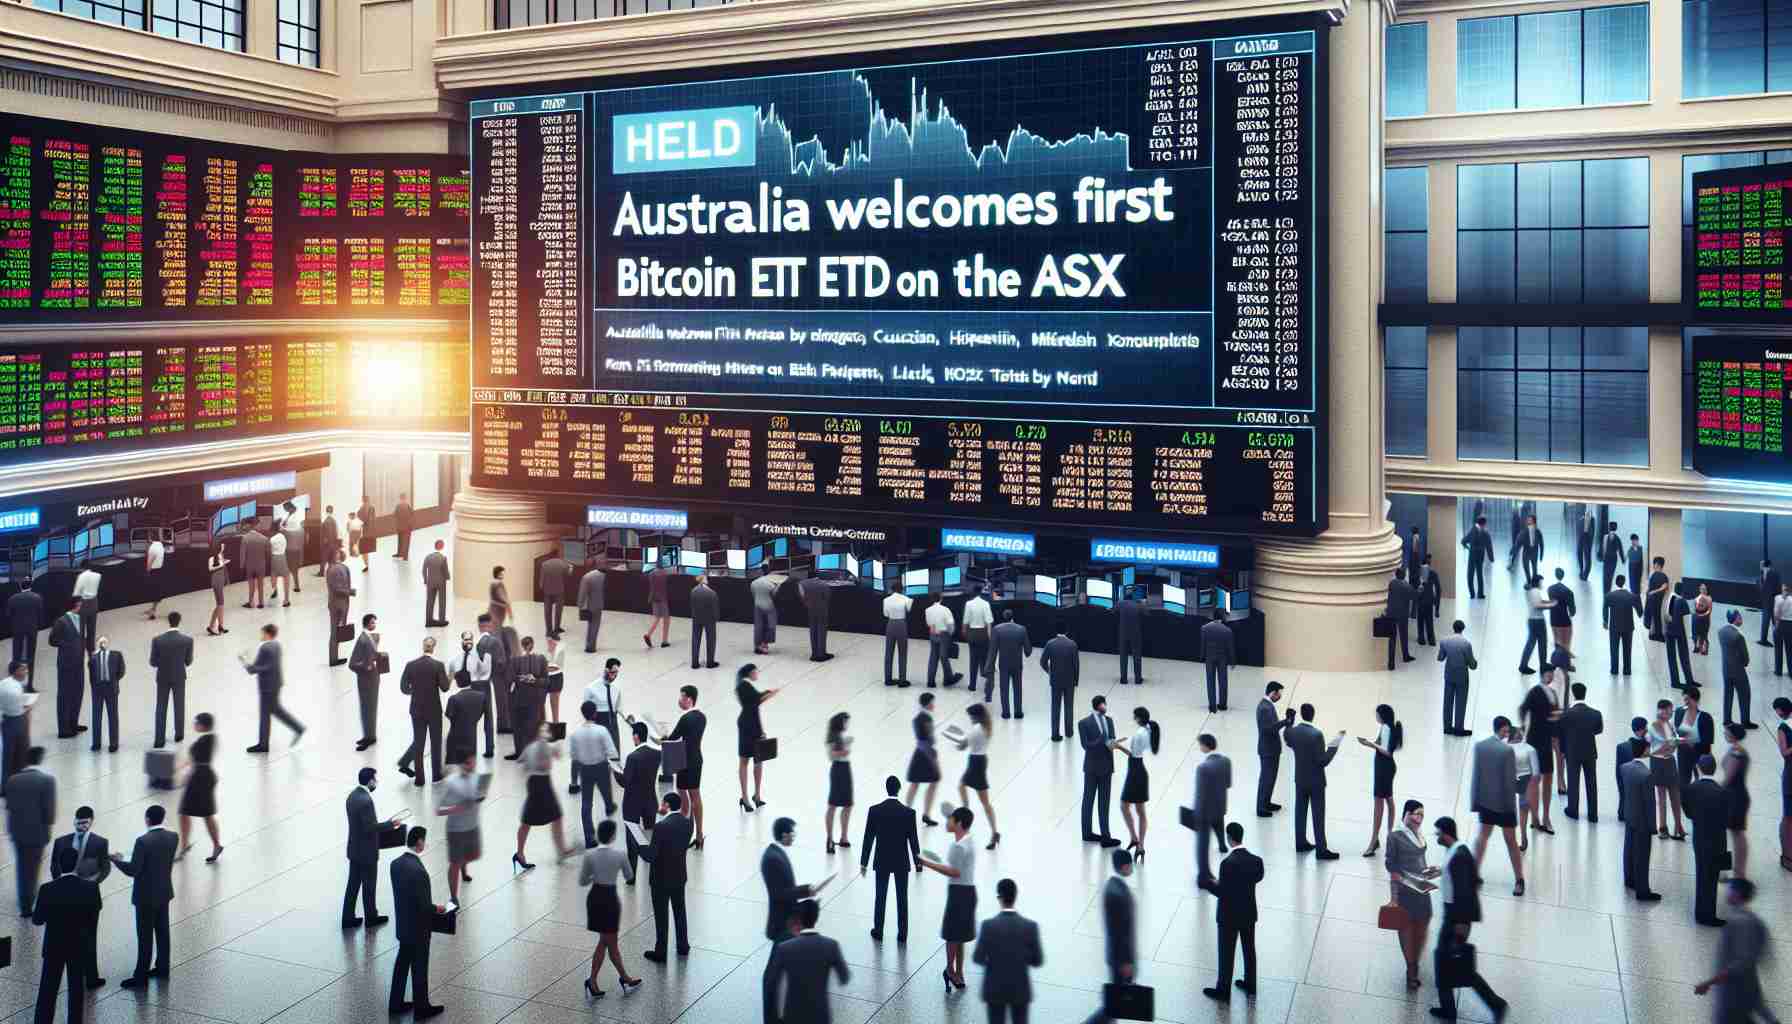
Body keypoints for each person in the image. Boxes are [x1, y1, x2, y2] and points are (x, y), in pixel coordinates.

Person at [1430, 815, 1507, 1022]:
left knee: (1457, 967)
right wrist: (1438, 872)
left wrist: (1462, 924)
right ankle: (1449, 1009)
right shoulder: (1455, 851)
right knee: (1445, 963)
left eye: (1438, 833)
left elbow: (1465, 892)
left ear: (1446, 834)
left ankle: (1496, 1004)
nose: (1436, 836)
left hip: (1456, 919)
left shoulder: (1460, 856)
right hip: (1453, 916)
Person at [112, 804, 178, 988]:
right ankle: (162, 968)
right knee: (163, 932)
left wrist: (117, 861)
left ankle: (141, 975)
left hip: (145, 896)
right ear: (163, 818)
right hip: (164, 892)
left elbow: (134, 870)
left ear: (147, 819)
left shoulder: (143, 841)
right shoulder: (173, 837)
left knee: (145, 936)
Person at [579, 819, 642, 999]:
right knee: (610, 941)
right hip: (610, 899)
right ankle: (622, 978)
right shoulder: (620, 855)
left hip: (595, 898)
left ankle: (598, 980)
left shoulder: (590, 855)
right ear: (613, 836)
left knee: (606, 941)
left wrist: (596, 876)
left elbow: (583, 881)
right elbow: (630, 876)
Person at [919, 805, 977, 993]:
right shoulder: (969, 841)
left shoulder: (958, 846)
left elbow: (954, 871)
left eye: (951, 819)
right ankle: (958, 972)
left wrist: (926, 863)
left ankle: (951, 971)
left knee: (952, 934)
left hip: (958, 893)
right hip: (969, 891)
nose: (947, 822)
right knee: (961, 936)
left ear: (959, 823)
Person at [1202, 821, 1263, 1002]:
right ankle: (1251, 984)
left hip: (1228, 917)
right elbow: (1257, 877)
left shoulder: (1227, 863)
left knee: (1226, 953)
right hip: (1248, 914)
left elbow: (1223, 892)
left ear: (1229, 838)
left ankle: (1223, 990)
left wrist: (1208, 885)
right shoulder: (1256, 861)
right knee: (1249, 950)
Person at [389, 826, 445, 1020]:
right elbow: (423, 906)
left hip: (403, 927)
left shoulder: (395, 864)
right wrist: (437, 908)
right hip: (418, 930)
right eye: (424, 840)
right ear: (419, 842)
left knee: (402, 964)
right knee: (419, 968)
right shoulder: (418, 871)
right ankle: (422, 1008)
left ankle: (395, 1003)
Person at [763, 899, 850, 1023]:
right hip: (820, 1015)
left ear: (799, 919)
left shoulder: (784, 948)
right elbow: (844, 978)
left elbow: (773, 982)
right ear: (816, 918)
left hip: (793, 1016)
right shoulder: (831, 945)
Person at [1695, 880, 1770, 1022]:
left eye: (1729, 890)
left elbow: (1740, 962)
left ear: (1736, 894)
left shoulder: (1738, 921)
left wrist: (1709, 983)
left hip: (1732, 991)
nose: (1726, 893)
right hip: (1746, 983)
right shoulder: (1755, 920)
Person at [1384, 800, 1437, 992]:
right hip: (1405, 889)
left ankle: (1414, 960)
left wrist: (1430, 872)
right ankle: (1411, 968)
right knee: (1407, 927)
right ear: (1406, 813)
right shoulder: (1395, 836)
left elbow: (1420, 859)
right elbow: (1391, 866)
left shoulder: (1419, 834)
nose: (1419, 818)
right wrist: (1394, 897)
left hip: (1422, 887)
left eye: (1422, 815)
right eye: (1416, 813)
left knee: (1423, 922)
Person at [973, 878, 1043, 1024]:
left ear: (999, 897)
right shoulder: (1030, 927)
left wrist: (995, 961)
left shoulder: (988, 926)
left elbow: (978, 957)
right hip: (1020, 989)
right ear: (1016, 896)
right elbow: (1038, 961)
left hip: (994, 989)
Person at [1467, 717, 1524, 895]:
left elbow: (1475, 776)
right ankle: (1519, 879)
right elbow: (1509, 783)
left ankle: (1474, 874)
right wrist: (1511, 808)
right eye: (1507, 731)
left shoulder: (1480, 746)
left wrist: (1475, 801)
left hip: (1484, 802)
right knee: (1511, 842)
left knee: (1483, 836)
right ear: (1504, 729)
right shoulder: (1507, 751)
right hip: (1504, 805)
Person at [51, 806, 107, 987]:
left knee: (90, 937)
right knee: (72, 935)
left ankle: (91, 976)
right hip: (69, 897)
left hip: (89, 897)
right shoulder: (61, 842)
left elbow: (104, 869)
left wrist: (91, 884)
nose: (81, 825)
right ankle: (82, 975)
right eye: (78, 821)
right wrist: (62, 884)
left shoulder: (100, 843)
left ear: (91, 821)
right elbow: (54, 866)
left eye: (84, 822)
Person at [861, 775, 919, 943]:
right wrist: (918, 862)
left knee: (880, 895)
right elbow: (913, 839)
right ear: (899, 789)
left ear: (886, 788)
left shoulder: (875, 810)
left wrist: (864, 862)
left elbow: (868, 838)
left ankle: (878, 930)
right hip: (901, 861)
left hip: (882, 860)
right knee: (902, 898)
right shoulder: (909, 813)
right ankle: (902, 934)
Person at [639, 791, 695, 963]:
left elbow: (651, 856)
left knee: (661, 915)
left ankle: (661, 952)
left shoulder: (661, 827)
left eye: (662, 804)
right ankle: (683, 946)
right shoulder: (687, 823)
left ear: (667, 806)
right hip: (679, 875)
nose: (660, 807)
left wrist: (640, 844)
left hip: (660, 879)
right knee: (680, 911)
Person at [1083, 847, 1136, 1024]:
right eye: (1130, 865)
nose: (1132, 868)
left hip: (1116, 956)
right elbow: (1121, 932)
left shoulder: (1114, 887)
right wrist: (1126, 961)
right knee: (1114, 1006)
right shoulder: (1117, 893)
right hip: (1119, 958)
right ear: (1124, 866)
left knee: (1115, 1001)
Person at [515, 721, 577, 869]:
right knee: (552, 816)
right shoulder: (543, 746)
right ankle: (561, 850)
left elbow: (521, 761)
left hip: (535, 782)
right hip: (541, 783)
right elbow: (549, 763)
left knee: (533, 819)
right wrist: (554, 750)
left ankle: (520, 853)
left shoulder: (531, 746)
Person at [762, 817, 833, 943]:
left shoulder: (777, 853)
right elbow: (779, 893)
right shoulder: (773, 859)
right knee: (779, 958)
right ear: (784, 835)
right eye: (792, 834)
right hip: (782, 922)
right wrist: (807, 890)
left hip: (785, 921)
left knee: (781, 957)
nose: (793, 837)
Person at [1286, 703, 1342, 859]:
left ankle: (1301, 842)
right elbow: (1322, 760)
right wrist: (1335, 744)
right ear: (1313, 714)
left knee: (1300, 812)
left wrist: (1289, 721)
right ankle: (1321, 850)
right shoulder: (1316, 735)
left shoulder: (1293, 732)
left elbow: (1287, 738)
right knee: (1318, 815)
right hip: (1316, 781)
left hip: (1300, 779)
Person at [343, 767, 397, 927]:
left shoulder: (352, 796)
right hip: (367, 852)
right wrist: (390, 825)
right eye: (375, 779)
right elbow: (370, 827)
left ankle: (348, 917)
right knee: (369, 885)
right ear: (370, 781)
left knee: (353, 885)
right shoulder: (366, 801)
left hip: (354, 849)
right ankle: (371, 917)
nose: (376, 782)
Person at [654, 684, 706, 846]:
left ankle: (683, 828)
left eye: (681, 697)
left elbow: (671, 738)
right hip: (697, 759)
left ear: (689, 699)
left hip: (684, 760)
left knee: (683, 794)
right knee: (696, 795)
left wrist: (658, 737)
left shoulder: (685, 718)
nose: (679, 700)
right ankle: (699, 834)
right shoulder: (702, 717)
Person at [240, 623, 304, 753]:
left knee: (266, 714)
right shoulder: (277, 645)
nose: (261, 635)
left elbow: (258, 668)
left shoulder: (265, 648)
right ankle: (296, 728)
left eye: (262, 633)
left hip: (267, 687)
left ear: (267, 634)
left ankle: (264, 744)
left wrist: (246, 663)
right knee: (275, 711)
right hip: (276, 683)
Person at [6, 746, 52, 914]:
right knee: (33, 868)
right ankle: (28, 904)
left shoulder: (12, 780)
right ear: (40, 759)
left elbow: (9, 807)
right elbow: (49, 812)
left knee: (21, 866)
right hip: (37, 832)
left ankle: (22, 899)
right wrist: (47, 832)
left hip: (17, 832)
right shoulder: (47, 781)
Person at [398, 636, 450, 787]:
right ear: (433, 647)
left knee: (419, 743)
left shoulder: (411, 665)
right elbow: (445, 687)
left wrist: (414, 691)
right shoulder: (438, 665)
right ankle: (436, 776)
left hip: (416, 709)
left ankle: (419, 779)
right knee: (435, 743)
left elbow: (403, 687)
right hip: (434, 710)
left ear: (423, 646)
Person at [1686, 754, 1730, 926]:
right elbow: (1726, 819)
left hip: (1699, 838)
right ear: (1714, 768)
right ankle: (1708, 915)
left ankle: (1699, 912)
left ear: (1699, 768)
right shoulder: (1721, 792)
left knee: (1701, 874)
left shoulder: (1691, 788)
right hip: (1716, 840)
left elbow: (1688, 811)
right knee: (1711, 879)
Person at [614, 721, 661, 879]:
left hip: (632, 803)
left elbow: (626, 781)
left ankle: (632, 875)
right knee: (649, 834)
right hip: (650, 801)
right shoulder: (656, 754)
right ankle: (652, 865)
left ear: (635, 736)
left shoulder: (632, 757)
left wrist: (615, 772)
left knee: (632, 837)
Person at [435, 751, 483, 904]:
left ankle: (463, 866)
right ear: (462, 764)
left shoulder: (477, 778)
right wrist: (456, 809)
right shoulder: (451, 783)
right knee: (455, 862)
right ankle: (453, 897)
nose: (473, 765)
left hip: (473, 826)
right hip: (456, 830)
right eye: (470, 762)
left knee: (474, 855)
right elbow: (437, 810)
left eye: (474, 761)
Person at [569, 701, 619, 846]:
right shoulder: (601, 730)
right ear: (595, 713)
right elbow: (612, 751)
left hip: (585, 770)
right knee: (606, 792)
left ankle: (589, 837)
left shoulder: (575, 733)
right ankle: (609, 806)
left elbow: (574, 756)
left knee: (586, 803)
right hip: (601, 767)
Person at [176, 713, 222, 863]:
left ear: (203, 725)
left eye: (197, 722)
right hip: (204, 776)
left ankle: (185, 844)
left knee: (185, 811)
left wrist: (181, 772)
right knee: (205, 814)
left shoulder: (204, 740)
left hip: (199, 779)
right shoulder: (210, 739)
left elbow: (193, 760)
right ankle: (214, 845)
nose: (194, 725)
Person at [1518, 674, 1560, 837]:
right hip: (1537, 741)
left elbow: (1523, 709)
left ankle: (1541, 817)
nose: (1551, 676)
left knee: (1543, 778)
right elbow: (1523, 709)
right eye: (1549, 673)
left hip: (1543, 741)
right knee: (1537, 779)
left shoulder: (1551, 693)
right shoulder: (1536, 692)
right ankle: (1538, 818)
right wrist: (1522, 726)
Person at [1114, 707, 1157, 859]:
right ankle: (1140, 845)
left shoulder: (1139, 734)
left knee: (1124, 805)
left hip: (1135, 772)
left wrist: (1117, 746)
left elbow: (1133, 755)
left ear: (1138, 718)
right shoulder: (1148, 730)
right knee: (1140, 810)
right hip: (1140, 772)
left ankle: (1134, 838)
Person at [1078, 695, 1120, 847]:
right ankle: (1087, 833)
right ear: (1098, 706)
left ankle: (1105, 836)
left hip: (1107, 767)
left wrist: (1113, 743)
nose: (1105, 707)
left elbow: (1112, 739)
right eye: (1103, 704)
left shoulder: (1109, 721)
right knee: (1088, 801)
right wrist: (1101, 740)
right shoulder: (1084, 723)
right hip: (1091, 767)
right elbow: (1086, 746)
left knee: (1104, 802)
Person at [1358, 704, 1401, 854]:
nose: (1375, 716)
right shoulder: (1386, 727)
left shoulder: (1387, 728)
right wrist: (1369, 743)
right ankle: (1388, 835)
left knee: (1380, 802)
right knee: (1388, 799)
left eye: (1377, 714)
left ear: (1382, 715)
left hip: (1384, 768)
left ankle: (1374, 840)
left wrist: (1369, 743)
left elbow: (1387, 752)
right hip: (1384, 768)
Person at [735, 666, 777, 814]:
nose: (757, 673)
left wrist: (767, 694)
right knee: (747, 761)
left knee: (756, 760)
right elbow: (756, 701)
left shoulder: (744, 685)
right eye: (755, 671)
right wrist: (769, 694)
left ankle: (755, 795)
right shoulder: (744, 685)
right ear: (749, 673)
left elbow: (755, 701)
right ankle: (747, 797)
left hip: (752, 723)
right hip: (748, 726)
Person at [1559, 684, 1603, 821]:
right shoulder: (1596, 713)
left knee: (1573, 782)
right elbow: (1598, 730)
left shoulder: (1566, 714)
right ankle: (1593, 814)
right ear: (1585, 694)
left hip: (1572, 752)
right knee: (1591, 782)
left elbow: (1561, 733)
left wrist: (1563, 750)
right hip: (1590, 751)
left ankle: (1573, 810)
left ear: (1573, 694)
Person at [148, 611, 192, 749]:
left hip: (162, 677)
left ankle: (159, 740)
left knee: (161, 707)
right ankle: (179, 735)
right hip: (179, 676)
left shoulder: (157, 640)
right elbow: (188, 661)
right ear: (179, 621)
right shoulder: (187, 640)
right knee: (179, 706)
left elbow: (153, 662)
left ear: (169, 621)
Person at [1619, 753, 1660, 900]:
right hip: (1643, 821)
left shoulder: (1625, 767)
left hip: (1630, 814)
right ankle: (1642, 890)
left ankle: (1629, 879)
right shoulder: (1647, 775)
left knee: (1628, 848)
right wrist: (1652, 826)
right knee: (1642, 855)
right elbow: (1650, 804)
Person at [1192, 734, 1230, 886]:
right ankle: (1222, 844)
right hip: (1220, 806)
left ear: (1205, 746)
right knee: (1219, 825)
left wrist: (1196, 813)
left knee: (1202, 845)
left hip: (1205, 812)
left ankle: (1203, 876)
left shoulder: (1202, 768)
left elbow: (1200, 794)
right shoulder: (1226, 761)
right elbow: (1228, 784)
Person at [1647, 700, 1689, 840]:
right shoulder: (1654, 726)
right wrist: (1675, 743)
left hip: (1669, 760)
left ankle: (1678, 825)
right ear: (1662, 710)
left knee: (1675, 795)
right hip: (1658, 762)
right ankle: (1663, 827)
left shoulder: (1669, 724)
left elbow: (1672, 743)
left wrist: (1676, 742)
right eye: (1670, 710)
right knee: (1662, 796)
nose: (1671, 713)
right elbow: (1667, 742)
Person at [445, 633, 491, 762]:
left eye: (470, 640)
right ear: (462, 641)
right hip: (459, 696)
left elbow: (485, 673)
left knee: (470, 728)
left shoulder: (478, 658)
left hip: (475, 693)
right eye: (465, 640)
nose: (467, 642)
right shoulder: (455, 660)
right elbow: (449, 678)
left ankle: (485, 750)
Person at [507, 635, 549, 761]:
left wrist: (533, 680)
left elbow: (546, 681)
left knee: (527, 727)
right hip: (526, 699)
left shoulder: (539, 659)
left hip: (528, 699)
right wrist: (530, 679)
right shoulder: (518, 660)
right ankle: (523, 753)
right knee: (523, 727)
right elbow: (546, 681)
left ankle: (526, 753)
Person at [1255, 681, 1293, 814]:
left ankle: (1266, 802)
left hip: (1271, 749)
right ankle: (1261, 808)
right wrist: (1285, 721)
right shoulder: (1265, 708)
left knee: (1270, 778)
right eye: (1279, 694)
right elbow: (1268, 729)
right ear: (1273, 692)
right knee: (1266, 779)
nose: (1280, 697)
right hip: (1268, 750)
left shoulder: (1267, 705)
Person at [1720, 722, 1752, 879]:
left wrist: (1716, 790)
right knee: (1736, 833)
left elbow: (1729, 777)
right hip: (1735, 795)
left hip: (1736, 797)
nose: (1724, 734)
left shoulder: (1737, 752)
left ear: (1732, 735)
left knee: (1737, 834)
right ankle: (1738, 871)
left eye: (1726, 732)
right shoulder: (1735, 749)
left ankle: (1740, 872)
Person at [49, 600, 85, 737]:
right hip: (66, 663)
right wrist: (68, 644)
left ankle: (73, 724)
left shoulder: (81, 620)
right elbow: (52, 640)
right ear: (76, 605)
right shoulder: (61, 621)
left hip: (78, 662)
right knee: (65, 695)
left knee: (78, 692)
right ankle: (63, 730)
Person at [905, 691, 942, 826]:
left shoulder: (917, 718)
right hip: (926, 754)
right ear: (928, 703)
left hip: (919, 753)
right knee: (933, 781)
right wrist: (934, 758)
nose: (934, 705)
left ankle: (907, 810)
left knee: (915, 783)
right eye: (932, 702)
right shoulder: (926, 719)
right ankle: (926, 813)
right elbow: (929, 738)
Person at [349, 613, 383, 751]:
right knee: (367, 708)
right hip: (367, 677)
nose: (374, 625)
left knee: (369, 708)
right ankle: (368, 736)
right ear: (367, 624)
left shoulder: (370, 637)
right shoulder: (363, 640)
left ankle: (370, 735)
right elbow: (352, 663)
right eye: (373, 623)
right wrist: (365, 666)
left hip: (370, 678)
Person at [1436, 620, 1476, 737]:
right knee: (1460, 702)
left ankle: (1447, 727)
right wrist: (1475, 663)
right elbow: (1472, 664)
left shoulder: (1444, 641)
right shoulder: (1466, 644)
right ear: (1463, 629)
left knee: (1447, 701)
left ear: (1453, 628)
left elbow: (1440, 658)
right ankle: (1459, 728)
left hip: (1449, 675)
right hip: (1462, 676)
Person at [987, 610, 1031, 717]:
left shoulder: (997, 629)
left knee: (1004, 688)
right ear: (1012, 617)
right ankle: (1018, 712)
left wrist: (990, 666)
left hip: (1004, 664)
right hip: (1017, 664)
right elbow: (1028, 652)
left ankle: (1006, 713)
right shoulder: (1021, 629)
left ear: (1003, 617)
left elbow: (992, 651)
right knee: (1017, 688)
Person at [1716, 610, 1755, 729]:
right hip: (1738, 670)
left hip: (1726, 669)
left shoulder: (1721, 631)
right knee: (1745, 694)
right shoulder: (1738, 636)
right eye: (1740, 617)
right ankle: (1745, 721)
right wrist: (1745, 663)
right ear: (1735, 618)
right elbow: (1745, 656)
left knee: (1728, 694)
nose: (1741, 618)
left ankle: (1727, 720)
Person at [86, 635, 123, 752]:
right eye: (100, 642)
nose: (102, 644)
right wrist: (94, 686)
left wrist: (114, 680)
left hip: (111, 688)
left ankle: (114, 743)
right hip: (97, 689)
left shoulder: (116, 655)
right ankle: (96, 743)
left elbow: (121, 670)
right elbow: (91, 673)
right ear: (98, 644)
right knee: (96, 717)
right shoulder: (93, 657)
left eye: (104, 642)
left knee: (113, 716)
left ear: (107, 643)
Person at [7, 577, 45, 691]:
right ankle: (30, 685)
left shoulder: (13, 599)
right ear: (30, 586)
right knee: (31, 657)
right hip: (32, 631)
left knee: (16, 657)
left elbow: (8, 615)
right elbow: (41, 616)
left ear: (20, 586)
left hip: (17, 631)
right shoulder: (37, 598)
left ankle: (14, 685)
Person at [1677, 687, 1717, 791]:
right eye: (1684, 699)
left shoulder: (1705, 718)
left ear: (1696, 701)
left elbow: (1707, 742)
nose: (1685, 703)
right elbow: (1677, 731)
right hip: (1683, 756)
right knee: (1683, 783)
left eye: (1688, 700)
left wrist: (1690, 742)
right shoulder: (1679, 712)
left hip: (1699, 756)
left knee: (1700, 784)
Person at [824, 712, 854, 854]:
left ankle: (844, 836)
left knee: (848, 804)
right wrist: (845, 750)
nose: (847, 724)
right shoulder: (832, 736)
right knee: (833, 805)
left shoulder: (841, 735)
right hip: (838, 769)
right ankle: (830, 838)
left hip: (846, 768)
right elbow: (831, 755)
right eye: (845, 721)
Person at [1615, 716, 1649, 826]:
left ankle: (1622, 812)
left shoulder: (1626, 745)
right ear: (1640, 730)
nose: (1647, 730)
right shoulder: (1640, 744)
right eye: (1645, 728)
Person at [1604, 574, 1640, 676]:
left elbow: (1605, 608)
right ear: (1624, 582)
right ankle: (1627, 670)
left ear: (1616, 582)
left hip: (1614, 627)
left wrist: (1605, 621)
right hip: (1628, 627)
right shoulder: (1631, 596)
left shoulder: (1609, 595)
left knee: (1614, 648)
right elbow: (1639, 611)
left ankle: (1614, 670)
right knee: (1627, 649)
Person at [1665, 581, 1697, 690]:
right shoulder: (1682, 601)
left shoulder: (1671, 597)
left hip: (1669, 631)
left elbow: (1667, 614)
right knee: (1684, 656)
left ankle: (1675, 681)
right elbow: (1687, 619)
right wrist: (1691, 636)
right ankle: (1689, 680)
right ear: (1682, 591)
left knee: (1671, 657)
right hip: (1680, 632)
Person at [1518, 574, 1552, 675]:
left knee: (1531, 643)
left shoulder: (1530, 591)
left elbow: (1539, 602)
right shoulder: (1535, 591)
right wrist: (1551, 605)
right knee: (1542, 643)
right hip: (1538, 621)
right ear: (1538, 582)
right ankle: (1543, 665)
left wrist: (1548, 602)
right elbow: (1538, 605)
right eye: (1541, 582)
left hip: (1532, 620)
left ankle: (1523, 665)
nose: (1542, 584)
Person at [925, 595, 961, 688]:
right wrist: (950, 633)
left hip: (933, 634)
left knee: (933, 657)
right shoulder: (945, 609)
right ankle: (948, 679)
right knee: (944, 657)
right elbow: (950, 624)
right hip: (944, 634)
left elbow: (929, 624)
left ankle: (930, 681)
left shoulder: (928, 610)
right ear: (941, 599)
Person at [1201, 610, 1234, 710]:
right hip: (1222, 659)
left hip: (1209, 658)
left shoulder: (1204, 628)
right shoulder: (1227, 630)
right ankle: (1223, 705)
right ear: (1222, 618)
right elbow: (1230, 648)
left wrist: (1202, 657)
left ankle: (1212, 705)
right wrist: (1232, 662)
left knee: (1210, 682)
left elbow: (1203, 645)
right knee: (1223, 681)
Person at [325, 549, 353, 666]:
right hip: (339, 604)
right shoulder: (335, 569)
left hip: (338, 603)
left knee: (336, 631)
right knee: (335, 632)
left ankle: (334, 657)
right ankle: (333, 658)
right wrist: (350, 592)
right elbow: (336, 589)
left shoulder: (334, 568)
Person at [0, 660, 26, 781]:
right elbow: (16, 705)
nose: (26, 672)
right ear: (15, 671)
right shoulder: (12, 687)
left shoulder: (7, 683)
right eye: (23, 669)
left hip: (8, 720)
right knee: (14, 754)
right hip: (14, 721)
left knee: (9, 755)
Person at [882, 587, 914, 686]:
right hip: (901, 624)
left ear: (892, 590)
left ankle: (888, 679)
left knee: (888, 652)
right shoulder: (907, 599)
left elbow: (885, 614)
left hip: (890, 624)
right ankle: (902, 680)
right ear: (902, 589)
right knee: (902, 652)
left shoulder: (886, 600)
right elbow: (908, 610)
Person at [1384, 568, 1414, 670]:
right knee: (1403, 636)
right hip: (1402, 614)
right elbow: (1414, 596)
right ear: (1403, 575)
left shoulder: (1392, 583)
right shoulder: (1406, 585)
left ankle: (1391, 663)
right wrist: (1419, 590)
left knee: (1392, 639)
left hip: (1391, 613)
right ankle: (1405, 656)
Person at [801, 572, 834, 662]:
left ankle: (814, 653)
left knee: (813, 630)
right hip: (822, 609)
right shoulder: (823, 584)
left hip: (810, 608)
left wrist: (807, 604)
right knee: (821, 631)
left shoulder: (802, 583)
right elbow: (827, 596)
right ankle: (821, 654)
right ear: (817, 576)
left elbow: (802, 596)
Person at [539, 551, 572, 639]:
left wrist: (542, 587)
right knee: (558, 609)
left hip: (547, 590)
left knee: (547, 610)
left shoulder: (544, 564)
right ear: (559, 555)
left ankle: (548, 631)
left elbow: (541, 581)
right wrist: (571, 568)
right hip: (559, 590)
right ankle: (556, 628)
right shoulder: (563, 564)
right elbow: (568, 574)